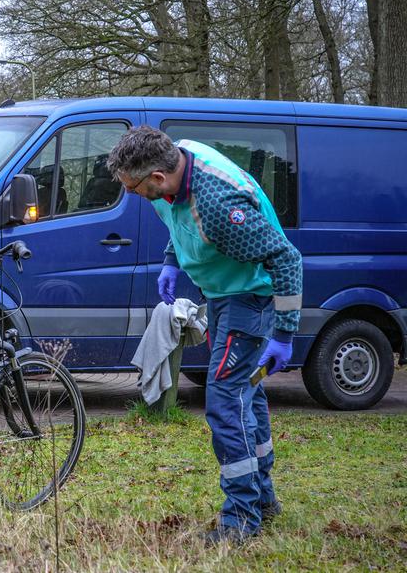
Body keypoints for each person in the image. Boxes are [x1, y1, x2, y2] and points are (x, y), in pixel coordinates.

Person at [106, 125, 302, 545]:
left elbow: (287, 259)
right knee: (246, 396)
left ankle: (241, 520)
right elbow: (178, 219)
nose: (135, 196)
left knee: (225, 402)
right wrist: (171, 260)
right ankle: (263, 500)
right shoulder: (179, 160)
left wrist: (285, 334)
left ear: (157, 178)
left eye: (136, 189)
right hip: (221, 296)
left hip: (247, 300)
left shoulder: (217, 204)